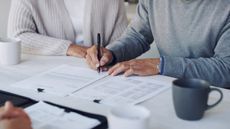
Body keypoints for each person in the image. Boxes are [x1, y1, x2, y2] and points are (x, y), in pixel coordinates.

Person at [86, 0, 230, 88]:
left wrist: (162, 65)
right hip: (166, 87)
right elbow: (137, 36)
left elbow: (226, 69)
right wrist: (111, 53)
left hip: (214, 96)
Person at [7, 0, 128, 58]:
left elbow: (123, 42)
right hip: (46, 75)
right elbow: (17, 36)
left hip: (98, 75)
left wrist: (109, 56)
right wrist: (71, 48)